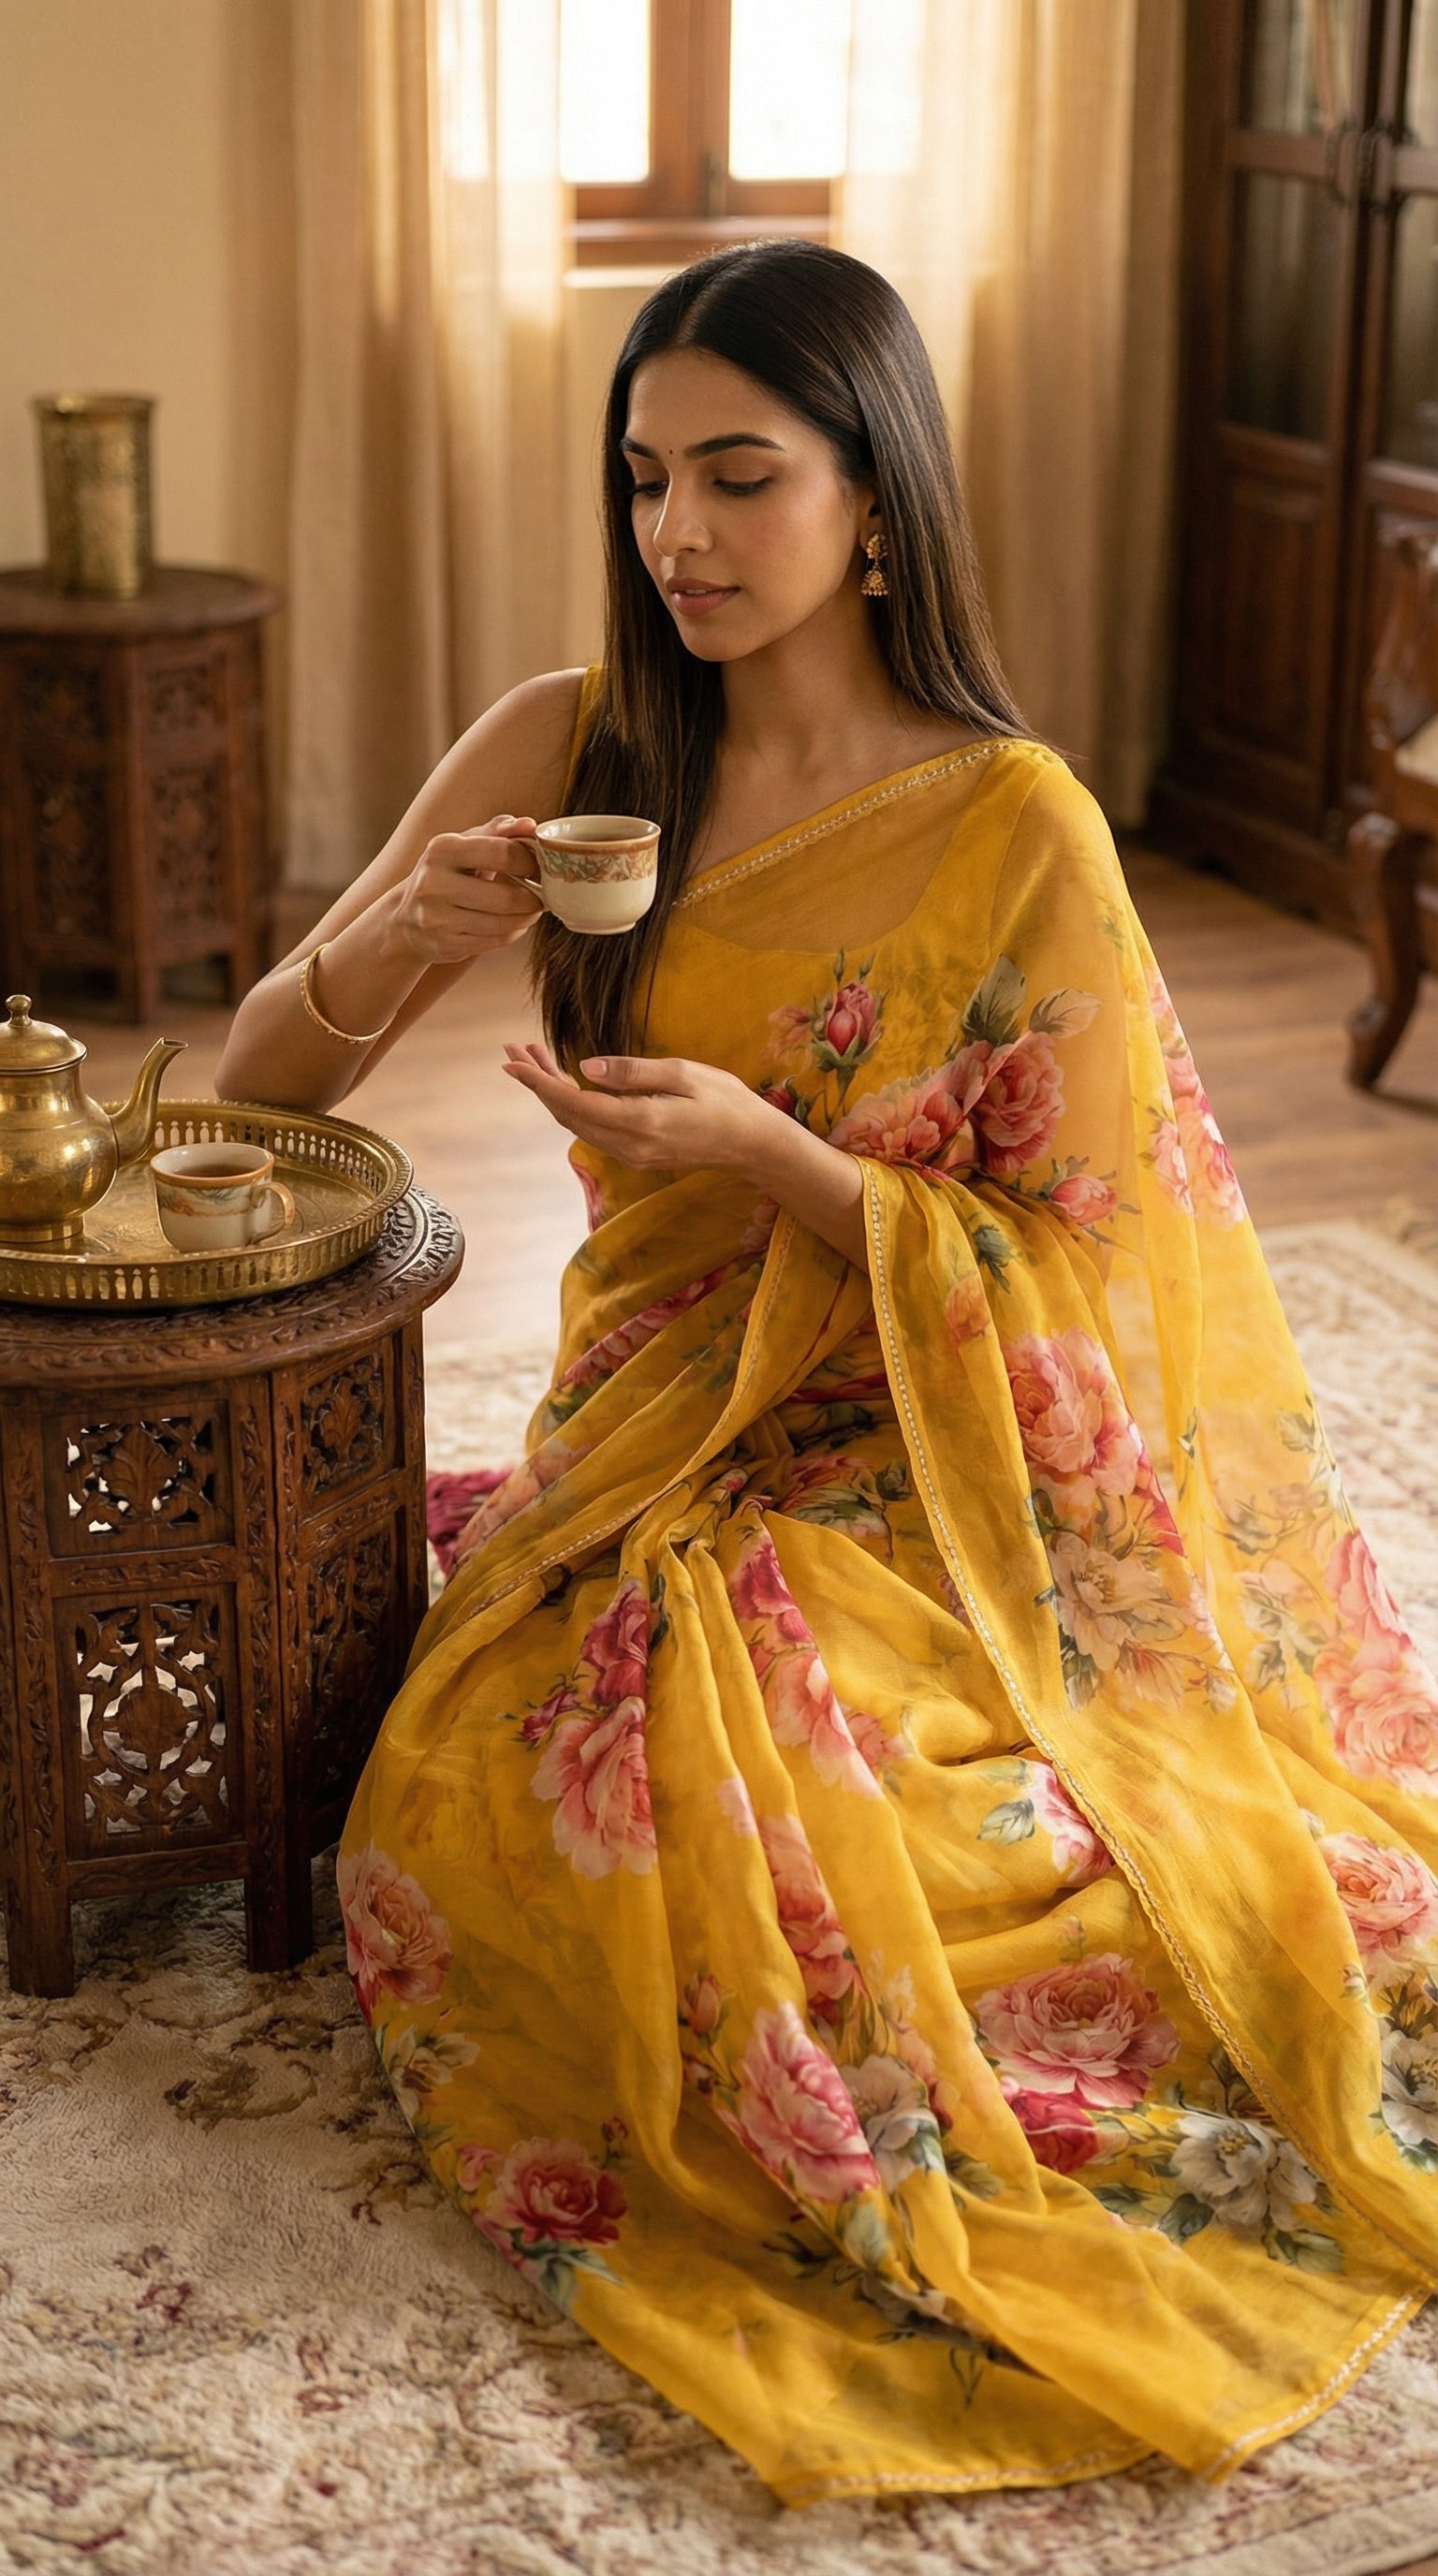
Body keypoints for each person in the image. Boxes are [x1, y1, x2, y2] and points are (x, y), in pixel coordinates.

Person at [216, 242, 1438, 2506]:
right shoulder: (569, 738)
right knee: (506, 1808)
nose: (676, 531)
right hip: (642, 1444)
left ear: (878, 505)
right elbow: (252, 1078)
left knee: (926, 1840)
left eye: (739, 477)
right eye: (645, 476)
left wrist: (787, 1161)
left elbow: (1104, 1270)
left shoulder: (1014, 826)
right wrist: (407, 925)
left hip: (922, 1456)